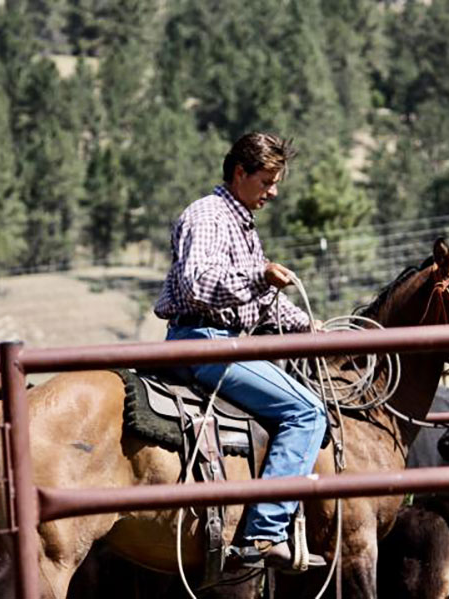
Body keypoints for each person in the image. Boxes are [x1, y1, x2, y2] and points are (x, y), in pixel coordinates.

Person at [153, 132, 327, 571]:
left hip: (219, 339)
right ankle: (264, 534)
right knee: (307, 412)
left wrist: (309, 326)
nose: (273, 191)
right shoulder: (208, 216)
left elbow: (261, 304)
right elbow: (197, 284)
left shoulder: (240, 224)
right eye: (267, 180)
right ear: (239, 173)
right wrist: (259, 275)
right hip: (206, 342)